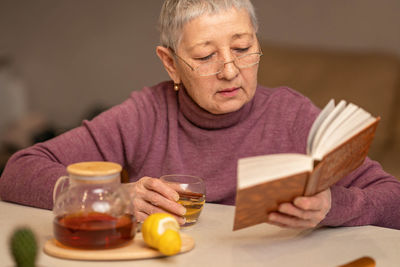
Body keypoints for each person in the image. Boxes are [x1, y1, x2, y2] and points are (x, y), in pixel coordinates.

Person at [1, 0, 400, 229]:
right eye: (206, 56)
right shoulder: (145, 115)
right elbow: (17, 171)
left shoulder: (292, 115)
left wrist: (333, 206)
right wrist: (112, 197)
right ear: (171, 64)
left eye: (242, 48)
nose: (229, 70)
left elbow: (393, 199)